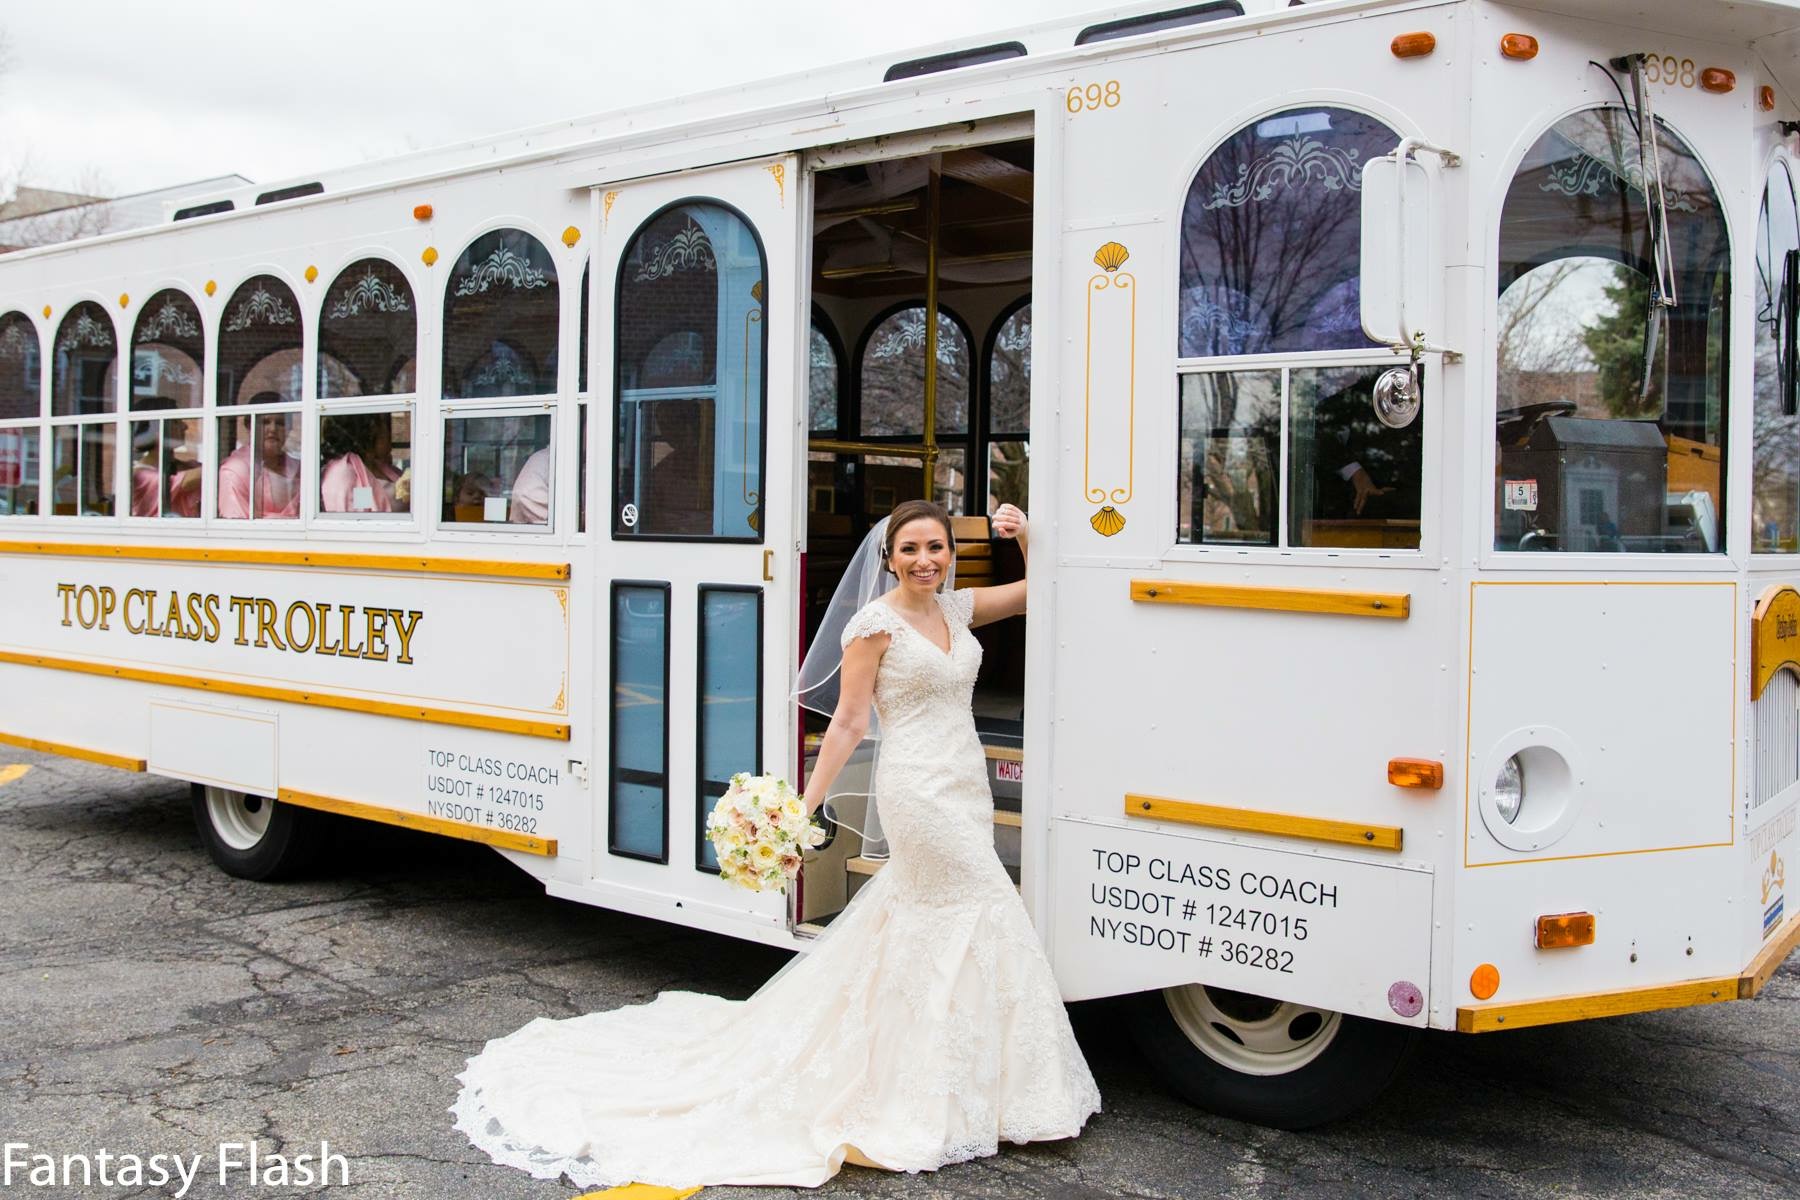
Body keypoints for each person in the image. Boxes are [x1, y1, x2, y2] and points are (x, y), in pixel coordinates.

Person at [452, 499, 1100, 1190]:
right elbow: (849, 721)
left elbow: (1041, 594)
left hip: (965, 782)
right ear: (888, 558)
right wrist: (802, 810)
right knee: (977, 902)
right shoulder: (874, 625)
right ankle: (951, 1090)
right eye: (910, 549)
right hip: (918, 793)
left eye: (936, 547)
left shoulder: (958, 611)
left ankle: (960, 1082)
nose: (924, 560)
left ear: (951, 552)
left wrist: (1028, 533)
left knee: (934, 921)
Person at [218, 392, 300, 519]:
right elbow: (235, 528)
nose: (273, 429)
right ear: (249, 426)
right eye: (265, 422)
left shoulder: (300, 468)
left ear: (288, 429)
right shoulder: (235, 471)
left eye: (280, 423)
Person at [319, 413, 405, 514]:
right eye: (383, 433)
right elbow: (361, 511)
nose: (389, 439)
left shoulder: (380, 466)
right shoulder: (346, 472)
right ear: (369, 435)